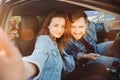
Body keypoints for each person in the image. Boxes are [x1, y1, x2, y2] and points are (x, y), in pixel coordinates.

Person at [0, 10, 71, 80]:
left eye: (63, 26)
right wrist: (21, 70)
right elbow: (38, 57)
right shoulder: (44, 40)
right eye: (56, 25)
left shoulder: (56, 42)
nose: (60, 30)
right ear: (48, 26)